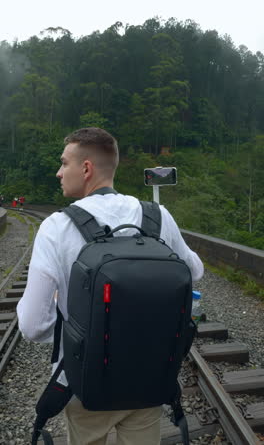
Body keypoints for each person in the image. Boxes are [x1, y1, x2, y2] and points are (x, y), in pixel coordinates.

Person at [17, 127, 204, 445]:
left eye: (64, 163)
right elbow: (194, 271)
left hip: (85, 381)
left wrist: (76, 324)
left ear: (86, 168)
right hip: (149, 375)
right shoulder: (157, 216)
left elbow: (33, 326)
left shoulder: (57, 228)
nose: (59, 172)